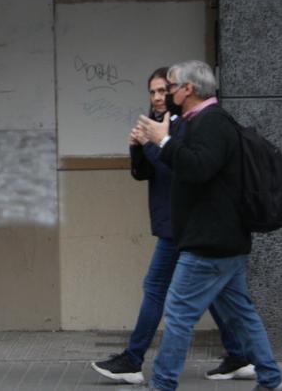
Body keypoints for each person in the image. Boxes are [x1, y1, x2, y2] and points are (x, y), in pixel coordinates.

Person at [91, 68, 255, 385]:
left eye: (163, 91)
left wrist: (153, 142)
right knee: (219, 295)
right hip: (174, 223)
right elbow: (142, 173)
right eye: (152, 92)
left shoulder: (182, 127)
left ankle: (133, 359)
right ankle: (240, 354)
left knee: (155, 289)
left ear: (178, 93)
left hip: (181, 226)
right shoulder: (160, 127)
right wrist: (137, 146)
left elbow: (175, 169)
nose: (156, 98)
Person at [133, 61, 282, 391]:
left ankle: (161, 385)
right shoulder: (201, 121)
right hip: (222, 240)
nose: (167, 93)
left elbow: (197, 168)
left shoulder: (212, 122)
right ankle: (272, 382)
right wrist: (155, 143)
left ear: (188, 89)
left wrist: (163, 142)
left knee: (177, 315)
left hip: (210, 242)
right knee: (242, 315)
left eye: (172, 86)